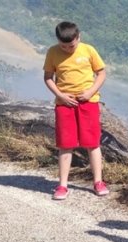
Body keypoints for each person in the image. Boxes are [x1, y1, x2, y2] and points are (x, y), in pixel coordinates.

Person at [43, 21, 108, 200]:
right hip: (64, 104)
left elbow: (101, 73)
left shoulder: (88, 50)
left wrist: (89, 92)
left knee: (92, 143)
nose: (67, 49)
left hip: (88, 102)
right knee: (66, 144)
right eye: (63, 46)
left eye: (71, 45)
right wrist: (61, 95)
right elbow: (48, 77)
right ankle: (62, 185)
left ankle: (98, 182)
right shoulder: (52, 52)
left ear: (78, 37)